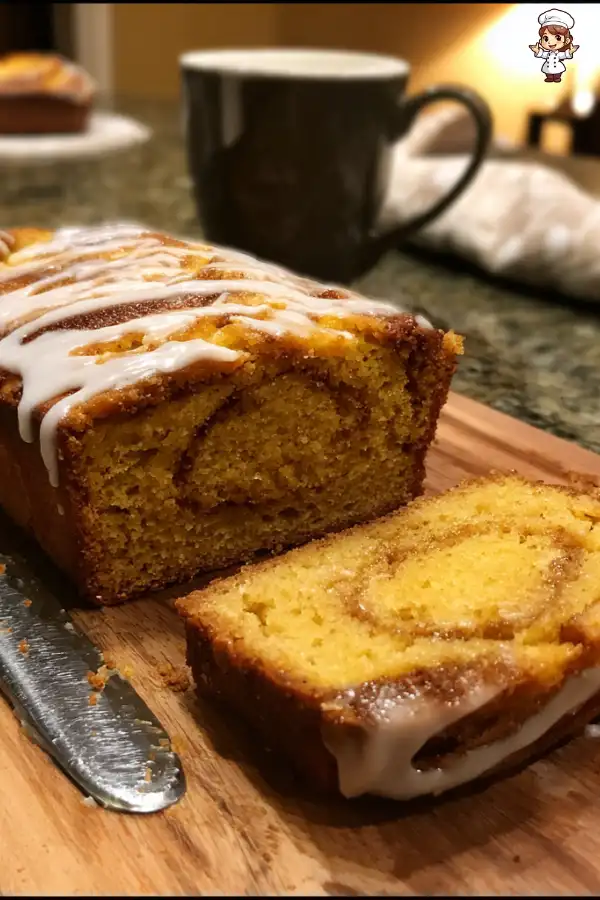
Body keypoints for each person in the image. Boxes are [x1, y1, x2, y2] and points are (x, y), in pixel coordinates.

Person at [529, 8, 579, 83]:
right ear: (540, 41)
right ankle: (549, 77)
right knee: (547, 72)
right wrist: (537, 51)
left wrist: (570, 52)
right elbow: (542, 54)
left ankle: (557, 77)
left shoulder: (559, 54)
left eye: (558, 38)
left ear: (566, 41)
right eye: (546, 38)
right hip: (548, 67)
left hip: (557, 67)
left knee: (557, 73)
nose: (551, 42)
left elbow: (564, 55)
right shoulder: (547, 53)